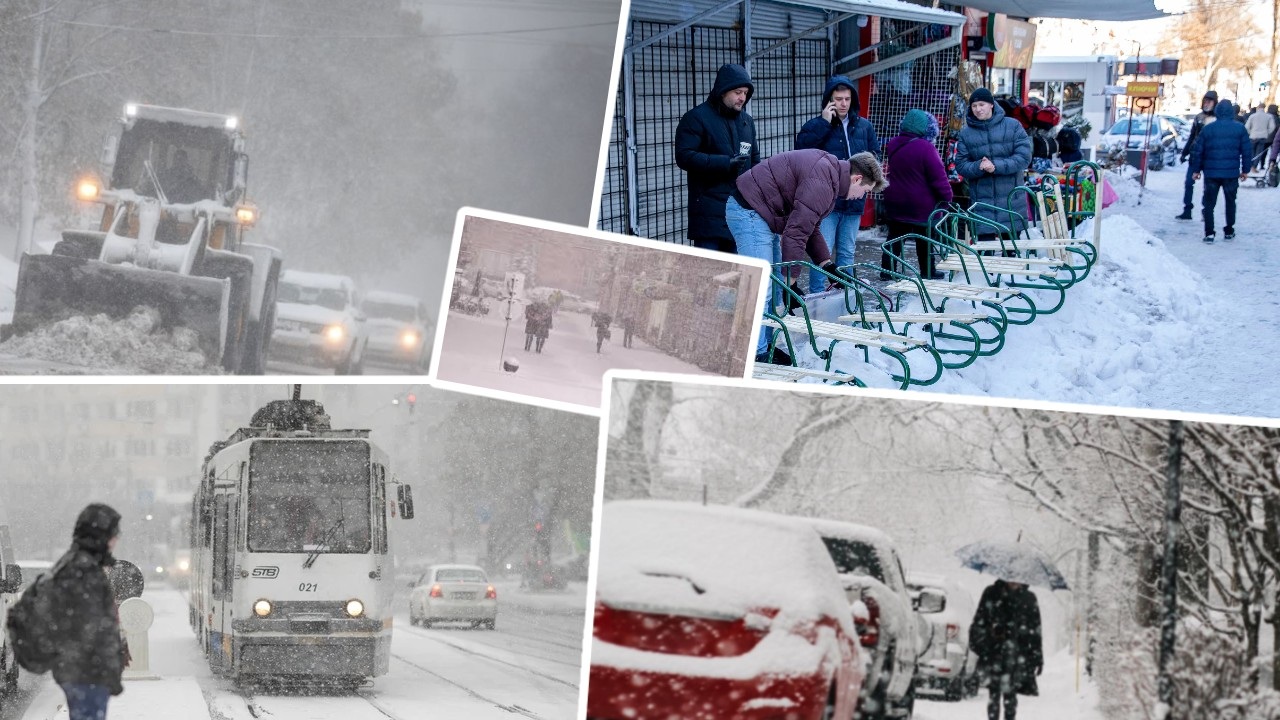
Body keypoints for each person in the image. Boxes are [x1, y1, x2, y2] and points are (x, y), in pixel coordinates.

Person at [727, 149, 887, 363]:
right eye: (864, 190)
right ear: (857, 178)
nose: (861, 196)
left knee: (774, 286)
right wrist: (790, 284)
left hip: (762, 213)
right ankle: (755, 353)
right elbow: (795, 234)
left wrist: (828, 266)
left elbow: (810, 228)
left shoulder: (830, 178)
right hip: (749, 211)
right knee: (760, 287)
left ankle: (764, 346)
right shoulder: (823, 182)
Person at [794, 75, 880, 293]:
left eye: (847, 99)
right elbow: (802, 151)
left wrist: (866, 183)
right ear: (829, 100)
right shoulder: (816, 125)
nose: (843, 104)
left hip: (853, 201)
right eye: (838, 99)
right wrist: (824, 123)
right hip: (827, 202)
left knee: (847, 252)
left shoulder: (864, 127)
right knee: (822, 252)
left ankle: (845, 296)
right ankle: (816, 293)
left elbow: (874, 157)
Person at [51, 504, 128, 720]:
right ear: (100, 536)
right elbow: (89, 625)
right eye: (114, 533)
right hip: (87, 672)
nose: (117, 539)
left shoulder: (81, 563)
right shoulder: (84, 569)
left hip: (84, 670)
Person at [674, 63, 759, 254]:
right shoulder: (696, 118)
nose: (742, 98)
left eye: (745, 93)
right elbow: (684, 156)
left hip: (740, 212)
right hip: (708, 214)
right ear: (723, 91)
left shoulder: (747, 121)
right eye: (738, 92)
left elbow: (755, 160)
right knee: (708, 274)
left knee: (734, 275)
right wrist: (725, 163)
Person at [881, 109, 952, 280]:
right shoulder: (926, 148)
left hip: (895, 201)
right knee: (924, 239)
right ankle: (928, 271)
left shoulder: (893, 144)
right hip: (921, 205)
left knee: (895, 237)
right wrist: (947, 197)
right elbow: (939, 179)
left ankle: (887, 271)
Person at [954, 88, 1032, 242]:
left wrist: (996, 166)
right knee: (985, 253)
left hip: (1011, 201)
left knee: (1011, 254)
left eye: (981, 104)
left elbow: (1024, 157)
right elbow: (961, 165)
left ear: (991, 104)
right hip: (983, 203)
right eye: (974, 106)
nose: (978, 109)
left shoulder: (1013, 126)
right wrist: (978, 166)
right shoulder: (966, 133)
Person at [970, 578, 1043, 720]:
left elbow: (1035, 630)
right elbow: (979, 621)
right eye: (1011, 578)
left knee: (1011, 695)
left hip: (1017, 655)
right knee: (994, 694)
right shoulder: (991, 593)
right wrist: (989, 634)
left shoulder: (1028, 598)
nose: (1014, 581)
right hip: (994, 652)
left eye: (1017, 579)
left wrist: (1037, 657)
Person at [1190, 99, 1251, 243]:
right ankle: (1229, 230)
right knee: (1230, 202)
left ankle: (1209, 233)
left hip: (1211, 174)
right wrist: (1245, 170)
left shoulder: (1208, 128)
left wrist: (1196, 170)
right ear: (1231, 112)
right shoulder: (1240, 128)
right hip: (1231, 174)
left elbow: (1198, 151)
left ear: (1217, 111)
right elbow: (1247, 151)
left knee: (1209, 204)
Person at [1177, 90, 1219, 220]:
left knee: (1208, 185)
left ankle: (1205, 210)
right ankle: (1187, 209)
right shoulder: (1199, 117)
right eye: (1205, 101)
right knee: (1189, 183)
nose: (1207, 104)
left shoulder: (1217, 119)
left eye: (1209, 101)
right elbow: (1192, 136)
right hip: (1195, 155)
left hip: (1209, 157)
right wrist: (1185, 152)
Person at [1245, 105, 1276, 171]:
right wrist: (1267, 133)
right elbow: (1272, 127)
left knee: (1252, 152)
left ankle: (1251, 165)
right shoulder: (1268, 116)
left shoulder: (1252, 116)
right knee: (1259, 153)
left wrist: (1250, 133)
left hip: (1253, 136)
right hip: (1263, 136)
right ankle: (1254, 166)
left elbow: (1247, 126)